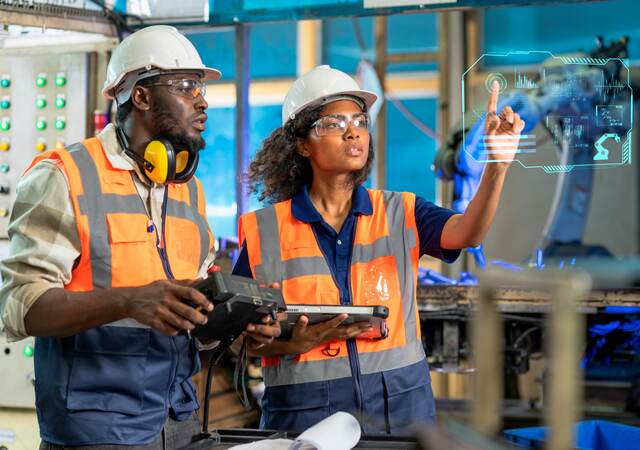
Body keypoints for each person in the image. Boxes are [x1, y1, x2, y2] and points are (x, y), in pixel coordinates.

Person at [0, 25, 280, 448]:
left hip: (177, 418)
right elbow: (19, 307)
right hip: (95, 428)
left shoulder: (187, 190)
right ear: (141, 96)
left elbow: (189, 317)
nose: (202, 100)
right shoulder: (64, 176)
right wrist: (129, 300)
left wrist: (239, 319)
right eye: (187, 86)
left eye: (201, 87)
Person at [233, 65, 524, 433]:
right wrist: (291, 343)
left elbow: (468, 233)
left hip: (399, 414)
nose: (353, 130)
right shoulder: (264, 231)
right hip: (305, 421)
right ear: (302, 143)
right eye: (334, 123)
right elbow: (245, 341)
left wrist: (497, 166)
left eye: (359, 120)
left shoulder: (401, 211)